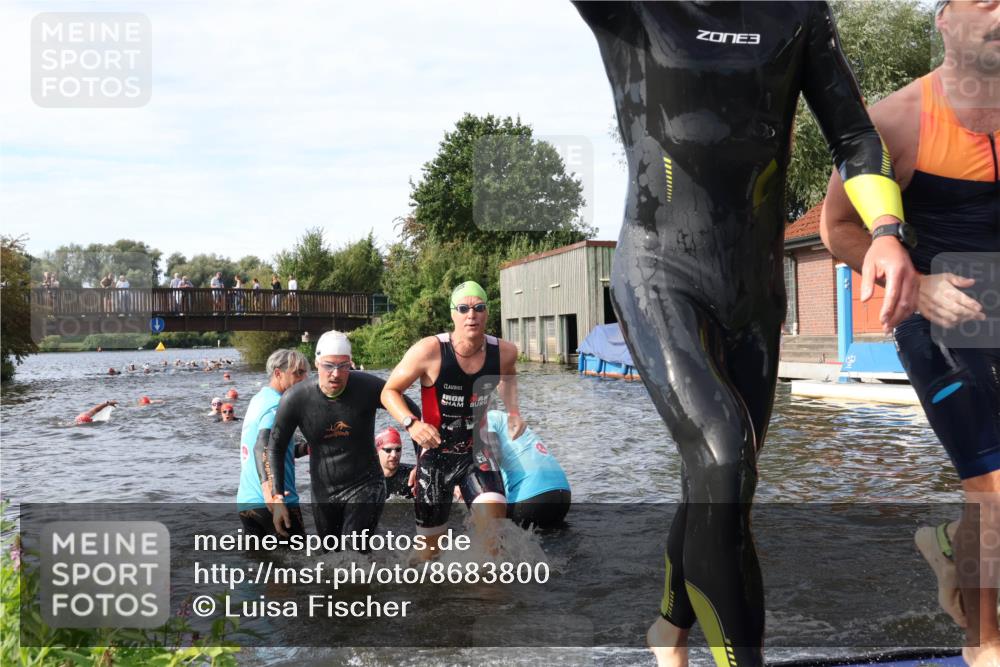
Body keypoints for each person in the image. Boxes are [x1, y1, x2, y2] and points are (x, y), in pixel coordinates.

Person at [575, 3, 916, 665]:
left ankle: (668, 630)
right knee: (723, 452)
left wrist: (884, 230)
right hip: (660, 274)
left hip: (754, 294)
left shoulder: (796, 12)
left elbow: (855, 136)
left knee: (720, 479)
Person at [820, 2, 999, 663]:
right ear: (944, 20)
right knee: (992, 488)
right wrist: (918, 286)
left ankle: (951, 543)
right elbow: (836, 227)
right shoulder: (897, 120)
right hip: (936, 314)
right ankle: (985, 644)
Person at [380, 281, 524, 559]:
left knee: (494, 536)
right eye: (463, 309)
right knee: (429, 552)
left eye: (479, 308)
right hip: (435, 457)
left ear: (487, 313)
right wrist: (412, 423)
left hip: (477, 452)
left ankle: (487, 586)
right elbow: (389, 391)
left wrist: (514, 412)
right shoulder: (429, 350)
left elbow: (508, 375)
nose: (471, 315)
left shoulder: (504, 352)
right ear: (452, 314)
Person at [267, 330, 420, 543]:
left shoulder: (367, 387)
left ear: (351, 363)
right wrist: (277, 497)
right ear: (317, 363)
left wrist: (421, 462)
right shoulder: (295, 398)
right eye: (329, 365)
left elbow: (412, 412)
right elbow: (276, 447)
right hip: (323, 491)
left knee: (354, 550)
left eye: (343, 366)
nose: (336, 374)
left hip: (366, 484)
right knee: (330, 555)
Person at [237, 349, 311, 539]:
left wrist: (306, 449)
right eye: (298, 373)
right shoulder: (278, 404)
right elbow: (261, 446)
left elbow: (278, 448)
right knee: (300, 557)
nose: (304, 379)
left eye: (305, 373)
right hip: (274, 502)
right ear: (278, 373)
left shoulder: (259, 399)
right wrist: (273, 496)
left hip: (247, 503)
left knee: (259, 559)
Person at [483, 410, 570, 529]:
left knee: (489, 528)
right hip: (563, 494)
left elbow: (492, 455)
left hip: (530, 497)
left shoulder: (487, 419)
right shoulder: (505, 418)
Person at [376, 427, 414, 499]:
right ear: (377, 452)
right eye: (388, 450)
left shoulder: (412, 476)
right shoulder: (367, 479)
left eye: (398, 449)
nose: (394, 455)